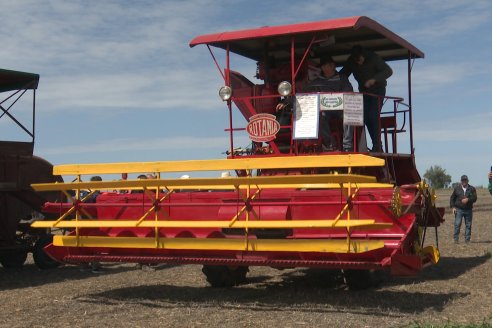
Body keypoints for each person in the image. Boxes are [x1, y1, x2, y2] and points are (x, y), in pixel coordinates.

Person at [276, 55, 354, 151]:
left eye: (328, 65)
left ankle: (347, 146)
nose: (326, 68)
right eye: (324, 66)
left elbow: (349, 92)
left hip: (340, 109)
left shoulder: (343, 79)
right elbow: (302, 94)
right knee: (320, 115)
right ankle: (330, 144)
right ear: (321, 68)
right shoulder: (316, 82)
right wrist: (287, 102)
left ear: (333, 66)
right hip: (326, 111)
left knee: (349, 114)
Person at [340, 45, 393, 152]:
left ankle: (378, 146)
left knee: (373, 115)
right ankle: (363, 146)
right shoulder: (351, 61)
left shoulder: (374, 58)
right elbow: (343, 74)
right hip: (364, 92)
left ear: (363, 55)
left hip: (378, 91)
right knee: (364, 118)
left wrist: (374, 79)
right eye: (356, 61)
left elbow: (388, 71)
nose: (358, 62)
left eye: (359, 60)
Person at [450, 175, 477, 244]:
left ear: (468, 181)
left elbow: (475, 198)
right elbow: (452, 198)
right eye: (463, 180)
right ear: (461, 181)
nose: (464, 181)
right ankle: (456, 239)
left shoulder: (472, 189)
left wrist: (468, 199)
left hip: (468, 210)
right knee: (457, 224)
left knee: (468, 225)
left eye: (465, 180)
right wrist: (453, 207)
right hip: (458, 209)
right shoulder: (457, 188)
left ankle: (467, 240)